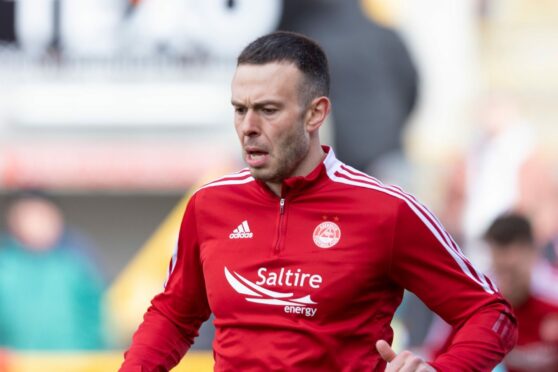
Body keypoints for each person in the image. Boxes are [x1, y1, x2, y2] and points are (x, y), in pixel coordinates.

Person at [120, 31, 516, 371]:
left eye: (267, 110)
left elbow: (491, 313)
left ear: (315, 114)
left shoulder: (387, 211)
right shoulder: (209, 204)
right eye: (239, 110)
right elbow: (174, 316)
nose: (248, 127)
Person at [0, 192, 105, 350]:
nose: (41, 224)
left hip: (72, 363)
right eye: (33, 216)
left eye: (47, 216)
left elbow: (96, 316)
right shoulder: (5, 266)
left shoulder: (75, 263)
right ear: (14, 221)